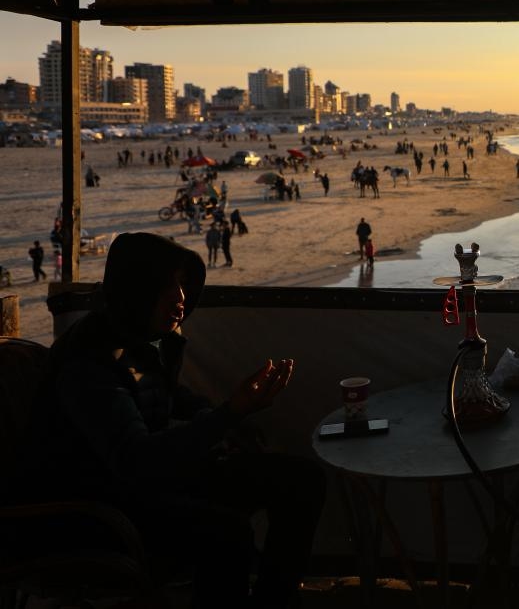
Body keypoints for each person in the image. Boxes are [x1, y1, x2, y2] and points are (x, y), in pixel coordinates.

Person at [15, 232, 326, 608]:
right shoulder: (89, 362)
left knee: (301, 481)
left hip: (145, 486)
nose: (181, 299)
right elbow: (136, 460)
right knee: (227, 534)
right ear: (136, 289)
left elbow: (169, 397)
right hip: (91, 514)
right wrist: (229, 414)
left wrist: (232, 420)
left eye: (183, 284)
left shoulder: (141, 340)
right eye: (168, 286)